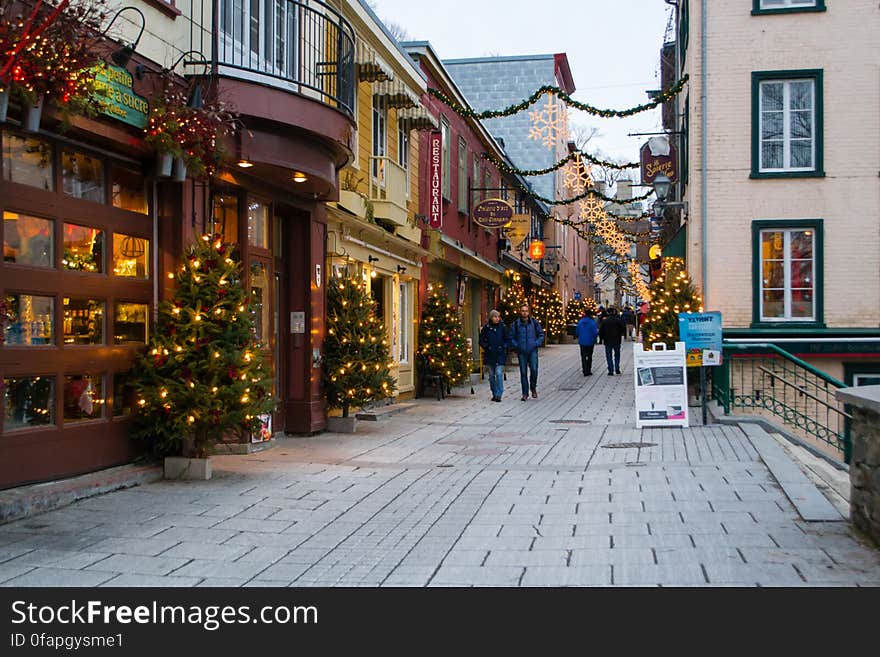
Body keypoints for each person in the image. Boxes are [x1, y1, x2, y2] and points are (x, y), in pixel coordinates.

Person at [510, 303, 544, 401]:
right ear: (520, 312)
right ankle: (525, 393)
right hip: (521, 351)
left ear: (528, 312)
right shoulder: (516, 324)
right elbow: (511, 337)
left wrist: (536, 343)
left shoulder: (534, 323)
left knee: (534, 369)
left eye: (526, 311)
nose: (524, 313)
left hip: (532, 350)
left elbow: (541, 334)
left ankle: (533, 387)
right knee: (523, 372)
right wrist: (517, 346)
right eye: (522, 311)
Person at [479, 309, 511, 402]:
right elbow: (481, 339)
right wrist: (486, 347)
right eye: (495, 317)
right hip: (490, 354)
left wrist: (504, 347)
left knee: (499, 373)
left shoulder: (503, 327)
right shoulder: (487, 328)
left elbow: (507, 339)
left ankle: (499, 393)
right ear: (491, 317)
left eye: (498, 317)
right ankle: (494, 392)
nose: (497, 319)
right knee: (491, 375)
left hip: (500, 354)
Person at [598, 307, 626, 376]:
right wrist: (620, 334)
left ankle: (610, 370)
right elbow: (623, 329)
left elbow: (601, 331)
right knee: (617, 355)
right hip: (616, 340)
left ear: (607, 313)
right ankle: (617, 368)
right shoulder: (618, 320)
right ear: (614, 312)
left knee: (609, 356)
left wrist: (601, 339)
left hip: (607, 341)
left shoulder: (605, 321)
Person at [575, 310, 599, 376]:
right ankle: (588, 370)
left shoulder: (580, 321)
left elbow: (577, 331)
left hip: (582, 342)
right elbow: (595, 333)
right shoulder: (592, 322)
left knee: (583, 356)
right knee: (589, 356)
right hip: (590, 342)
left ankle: (584, 369)